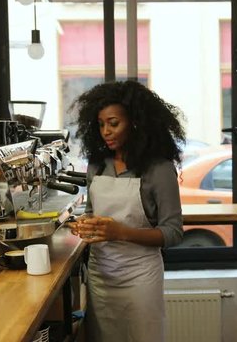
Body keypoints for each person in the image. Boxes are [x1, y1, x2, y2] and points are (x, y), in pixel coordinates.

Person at [69, 80, 185, 342]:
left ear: (134, 123)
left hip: (140, 277)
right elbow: (91, 210)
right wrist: (84, 223)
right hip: (101, 275)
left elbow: (173, 232)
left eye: (113, 123)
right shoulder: (97, 165)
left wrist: (121, 232)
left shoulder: (159, 169)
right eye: (100, 125)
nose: (106, 132)